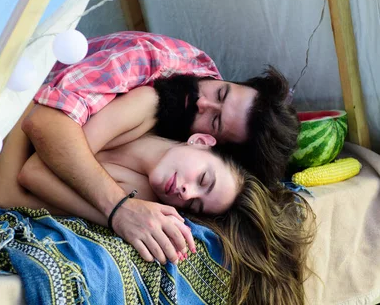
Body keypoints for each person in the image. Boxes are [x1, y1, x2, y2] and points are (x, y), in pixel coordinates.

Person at [19, 31, 299, 265]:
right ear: (201, 144)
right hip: (19, 77)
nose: (203, 103)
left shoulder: (149, 187)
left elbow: (18, 185)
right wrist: (117, 210)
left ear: (207, 137)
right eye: (221, 93)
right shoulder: (154, 83)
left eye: (214, 121)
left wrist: (122, 211)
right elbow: (39, 136)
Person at [0, 120, 313, 305]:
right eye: (203, 179)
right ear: (201, 141)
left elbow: (26, 176)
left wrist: (118, 212)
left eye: (194, 204)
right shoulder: (148, 112)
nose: (187, 192)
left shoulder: (136, 192)